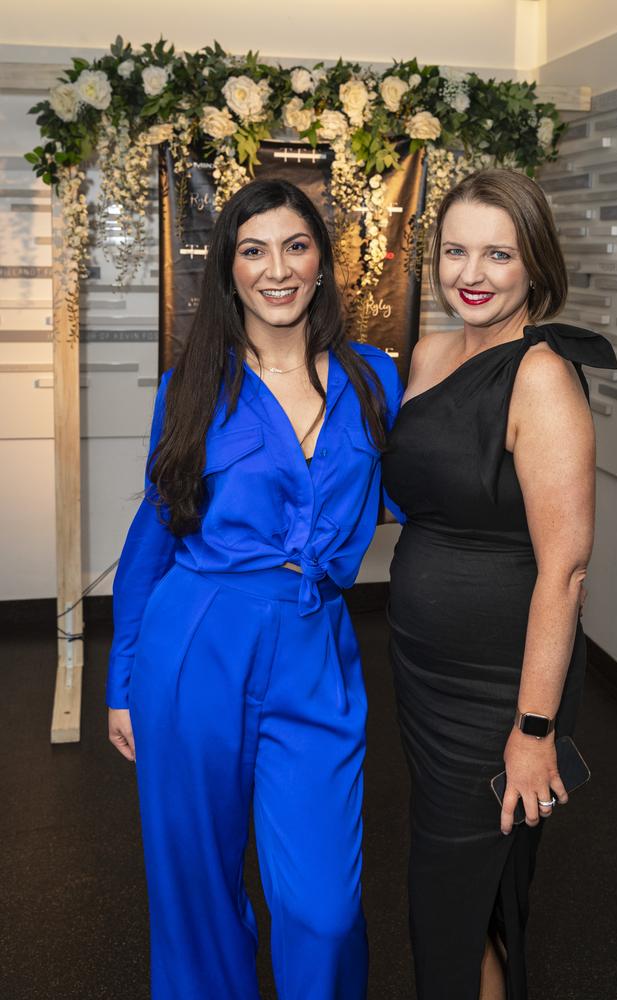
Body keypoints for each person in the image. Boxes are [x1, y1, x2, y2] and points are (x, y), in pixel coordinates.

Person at [106, 178, 402, 1000]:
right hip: (193, 641)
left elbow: (431, 489)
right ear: (229, 269)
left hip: (316, 653)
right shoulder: (192, 385)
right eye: (253, 250)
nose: (277, 270)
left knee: (325, 908)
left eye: (296, 247)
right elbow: (153, 533)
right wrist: (122, 678)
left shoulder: (375, 381)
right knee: (195, 894)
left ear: (322, 265)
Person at [382, 169, 617, 999]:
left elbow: (567, 570)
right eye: (454, 251)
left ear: (533, 266)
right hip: (423, 672)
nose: (470, 273)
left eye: (497, 254)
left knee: (450, 896)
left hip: (502, 689)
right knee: (460, 892)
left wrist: (534, 729)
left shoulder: (542, 377)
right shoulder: (431, 350)